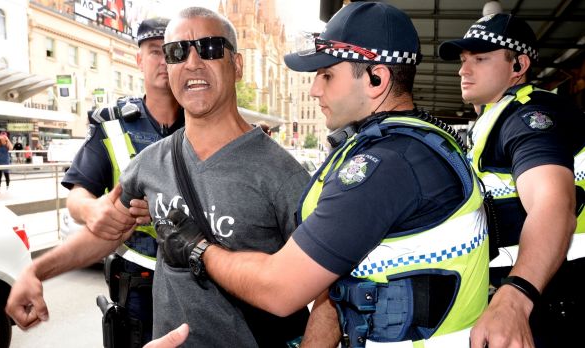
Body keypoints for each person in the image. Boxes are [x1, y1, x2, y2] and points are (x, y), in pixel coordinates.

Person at [158, 2, 490, 347]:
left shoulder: (385, 167)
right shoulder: (416, 144)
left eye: (327, 75)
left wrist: (198, 249)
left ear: (377, 79)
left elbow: (280, 289)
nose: (315, 89)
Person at [6, 6, 310, 347]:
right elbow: (108, 232)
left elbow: (327, 290)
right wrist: (35, 272)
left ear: (236, 65)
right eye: (177, 53)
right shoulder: (150, 162)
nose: (192, 63)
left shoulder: (283, 174)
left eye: (209, 48)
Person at [439, 13, 585, 348]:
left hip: (550, 300)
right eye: (463, 60)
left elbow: (554, 205)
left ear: (518, 65)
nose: (464, 70)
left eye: (480, 59)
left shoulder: (529, 118)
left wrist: (516, 295)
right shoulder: (500, 115)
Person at [60, 17, 184, 346]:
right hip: (138, 282)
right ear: (139, 60)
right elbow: (77, 195)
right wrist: (91, 210)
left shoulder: (205, 119)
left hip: (196, 279)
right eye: (155, 52)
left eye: (172, 52)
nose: (163, 61)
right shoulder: (112, 124)